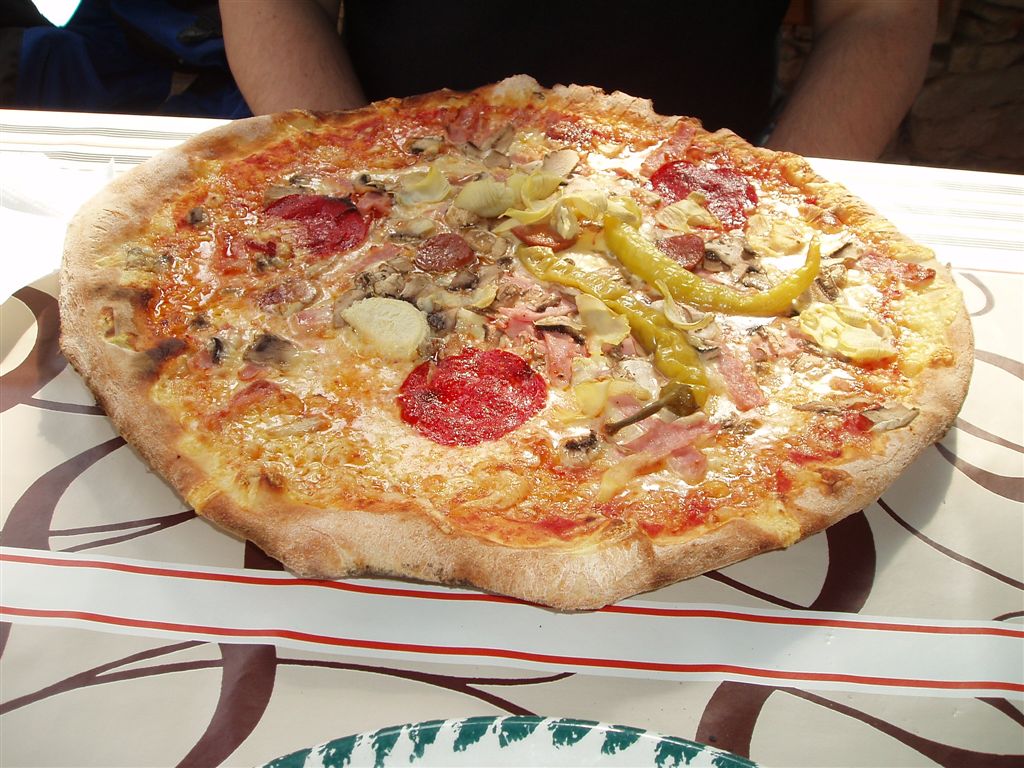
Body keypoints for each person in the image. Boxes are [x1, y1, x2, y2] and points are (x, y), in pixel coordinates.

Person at [218, 0, 938, 161]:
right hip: (389, 170)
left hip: (705, 194)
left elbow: (879, 13)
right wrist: (351, 176)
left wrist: (777, 200)